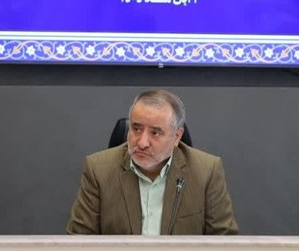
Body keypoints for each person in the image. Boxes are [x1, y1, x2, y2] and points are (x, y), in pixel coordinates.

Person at [66, 89, 238, 235]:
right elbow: (78, 242)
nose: (142, 143)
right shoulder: (99, 170)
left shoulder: (206, 171)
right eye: (136, 129)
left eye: (155, 133)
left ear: (176, 136)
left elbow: (225, 244)